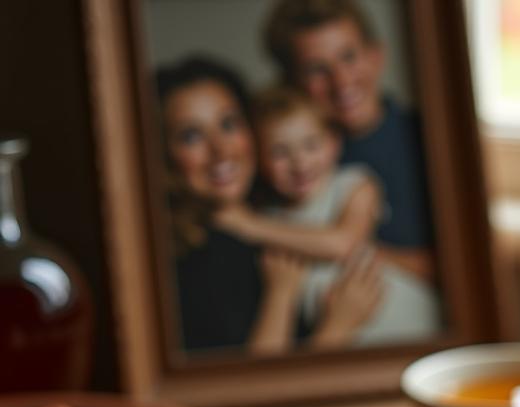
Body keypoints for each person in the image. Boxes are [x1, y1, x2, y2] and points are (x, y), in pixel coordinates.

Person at [155, 56, 378, 355]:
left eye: (228, 123)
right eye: (191, 136)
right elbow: (254, 390)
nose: (221, 150)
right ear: (163, 154)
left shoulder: (274, 219)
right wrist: (336, 327)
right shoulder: (193, 261)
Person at [215, 86, 440, 346]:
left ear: (334, 143)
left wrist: (249, 225)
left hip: (411, 320)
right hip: (345, 339)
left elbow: (344, 244)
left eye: (311, 145)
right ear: (260, 160)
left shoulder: (355, 184)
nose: (300, 163)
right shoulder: (270, 215)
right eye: (280, 152)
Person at [263, 0, 436, 282]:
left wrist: (354, 250)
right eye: (317, 69)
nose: (341, 82)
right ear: (291, 83)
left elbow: (461, 266)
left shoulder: (428, 140)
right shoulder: (287, 165)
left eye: (348, 57)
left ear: (376, 55)